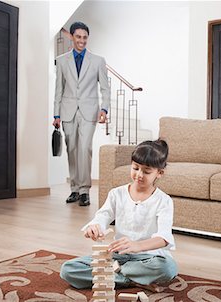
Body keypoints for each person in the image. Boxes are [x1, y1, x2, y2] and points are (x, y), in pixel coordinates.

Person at [60, 139, 178, 289]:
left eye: (147, 171)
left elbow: (164, 238)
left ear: (159, 173)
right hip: (118, 256)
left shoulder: (164, 201)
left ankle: (114, 276)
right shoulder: (117, 194)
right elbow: (103, 215)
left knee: (168, 268)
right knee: (68, 269)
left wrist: (137, 246)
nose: (139, 175)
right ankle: (131, 278)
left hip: (149, 257)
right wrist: (95, 227)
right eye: (135, 168)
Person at [53, 21, 111, 206]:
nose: (82, 40)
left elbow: (105, 88)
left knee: (85, 148)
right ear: (71, 37)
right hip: (67, 111)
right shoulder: (62, 60)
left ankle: (85, 190)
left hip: (89, 110)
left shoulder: (98, 61)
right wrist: (56, 115)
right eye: (78, 37)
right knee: (72, 149)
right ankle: (74, 189)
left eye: (85, 37)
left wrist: (104, 109)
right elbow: (59, 90)